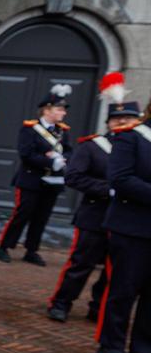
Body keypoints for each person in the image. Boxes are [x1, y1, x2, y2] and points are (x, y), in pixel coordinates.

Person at [49, 73, 140, 323]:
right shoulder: (92, 146)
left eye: (128, 118)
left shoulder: (142, 149)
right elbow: (74, 177)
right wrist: (109, 189)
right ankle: (61, 303)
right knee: (80, 265)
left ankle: (98, 308)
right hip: (94, 216)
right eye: (117, 118)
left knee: (114, 271)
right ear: (109, 122)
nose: (122, 122)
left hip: (126, 219)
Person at [95, 89, 151, 353]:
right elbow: (121, 178)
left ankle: (143, 349)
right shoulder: (131, 137)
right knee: (123, 289)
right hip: (131, 227)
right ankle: (111, 345)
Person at [0, 84, 74, 266]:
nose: (63, 113)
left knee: (42, 217)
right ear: (47, 109)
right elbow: (26, 154)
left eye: (64, 109)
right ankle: (4, 247)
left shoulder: (62, 130)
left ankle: (32, 250)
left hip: (52, 181)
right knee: (22, 215)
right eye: (59, 109)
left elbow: (70, 151)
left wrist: (62, 159)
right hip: (30, 180)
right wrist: (48, 161)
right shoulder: (30, 129)